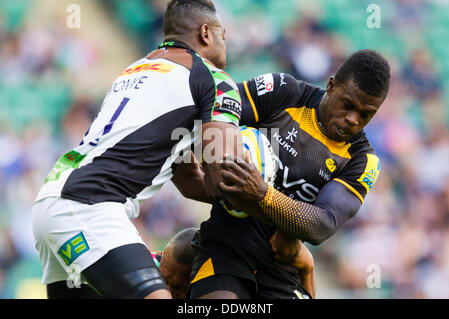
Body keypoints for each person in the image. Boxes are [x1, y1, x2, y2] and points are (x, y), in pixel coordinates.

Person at [32, 0, 245, 299]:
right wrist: (265, 202)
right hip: (91, 204)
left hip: (53, 201)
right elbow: (224, 170)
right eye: (224, 35)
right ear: (206, 33)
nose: (226, 45)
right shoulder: (211, 77)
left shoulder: (136, 69)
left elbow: (186, 177)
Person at [174, 49, 390, 298]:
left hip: (281, 267)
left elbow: (322, 224)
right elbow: (212, 115)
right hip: (225, 245)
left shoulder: (363, 160)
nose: (353, 119)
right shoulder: (284, 91)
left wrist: (264, 194)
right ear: (331, 85)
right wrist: (191, 171)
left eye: (366, 114)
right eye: (348, 105)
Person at [154, 227, 315, 299]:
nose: (165, 292)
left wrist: (308, 268)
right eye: (162, 280)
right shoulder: (149, 267)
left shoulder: (238, 286)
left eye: (177, 289)